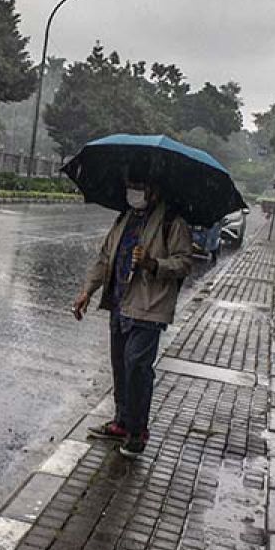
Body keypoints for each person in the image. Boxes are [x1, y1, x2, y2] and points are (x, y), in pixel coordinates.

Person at [72, 178, 193, 458]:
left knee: (137, 367)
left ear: (154, 189)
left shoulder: (172, 222)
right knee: (121, 367)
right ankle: (122, 421)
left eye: (139, 185)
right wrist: (87, 290)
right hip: (119, 303)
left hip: (149, 307)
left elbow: (185, 261)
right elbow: (105, 259)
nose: (133, 191)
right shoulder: (125, 218)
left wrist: (154, 264)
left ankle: (138, 431)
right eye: (130, 184)